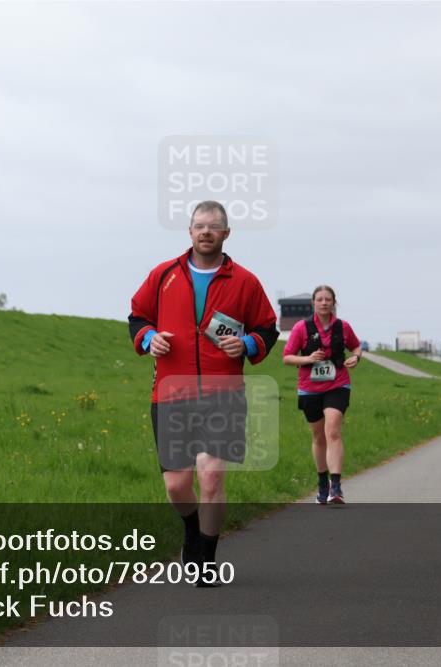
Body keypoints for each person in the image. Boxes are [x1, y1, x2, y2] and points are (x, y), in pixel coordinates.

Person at [128, 200, 278, 587]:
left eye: (214, 226)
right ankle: (192, 531)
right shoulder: (163, 275)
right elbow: (137, 316)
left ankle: (207, 559)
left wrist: (246, 344)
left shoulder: (245, 281)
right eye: (199, 226)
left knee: (210, 476)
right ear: (189, 231)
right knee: (177, 484)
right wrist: (147, 338)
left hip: (222, 394)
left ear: (227, 233)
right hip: (171, 394)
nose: (205, 232)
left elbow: (267, 329)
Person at [282, 286, 362, 505]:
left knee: (333, 431)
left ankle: (336, 487)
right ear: (313, 303)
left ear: (334, 302)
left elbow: (356, 347)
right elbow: (287, 357)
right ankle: (322, 483)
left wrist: (356, 358)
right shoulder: (301, 328)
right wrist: (308, 359)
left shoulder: (343, 327)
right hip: (310, 388)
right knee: (318, 436)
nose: (324, 303)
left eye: (328, 299)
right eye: (320, 299)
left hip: (338, 384)